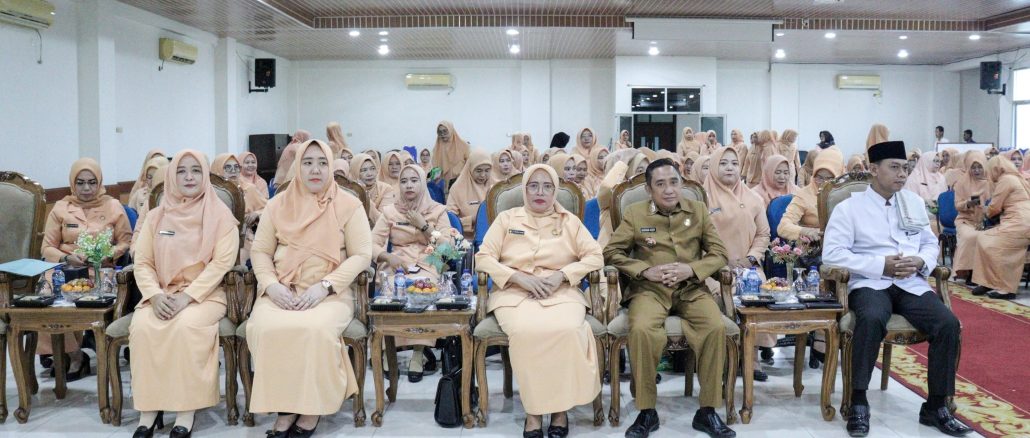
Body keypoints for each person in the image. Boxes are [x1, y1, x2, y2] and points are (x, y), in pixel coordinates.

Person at [822, 140, 970, 438]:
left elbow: (929, 244)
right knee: (871, 318)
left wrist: (920, 261)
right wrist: (880, 265)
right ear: (874, 169)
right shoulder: (849, 208)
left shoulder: (912, 202)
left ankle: (936, 406)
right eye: (894, 167)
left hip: (910, 283)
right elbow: (833, 255)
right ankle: (858, 401)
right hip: (869, 282)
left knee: (947, 323)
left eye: (905, 168)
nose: (902, 174)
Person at [247, 140, 373, 437]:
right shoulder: (277, 204)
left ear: (330, 167)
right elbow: (260, 251)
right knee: (264, 327)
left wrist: (325, 287)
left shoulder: (349, 205)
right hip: (282, 290)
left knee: (314, 330)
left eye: (322, 163)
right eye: (307, 162)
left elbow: (361, 255)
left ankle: (311, 407)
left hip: (329, 293)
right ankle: (285, 407)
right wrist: (271, 286)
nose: (315, 170)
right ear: (297, 167)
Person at [604, 158, 734, 438]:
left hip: (691, 289)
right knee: (641, 329)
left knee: (714, 327)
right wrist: (644, 270)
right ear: (649, 189)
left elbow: (720, 253)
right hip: (649, 291)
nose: (669, 189)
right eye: (660, 184)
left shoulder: (698, 210)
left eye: (674, 182)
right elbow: (612, 252)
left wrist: (692, 269)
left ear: (682, 183)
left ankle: (708, 410)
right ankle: (646, 411)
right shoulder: (636, 213)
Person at [476, 164, 603, 437]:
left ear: (555, 191)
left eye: (547, 186)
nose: (540, 192)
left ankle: (559, 411)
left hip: (561, 293)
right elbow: (483, 257)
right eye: (533, 186)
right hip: (514, 293)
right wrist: (517, 278)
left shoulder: (569, 221)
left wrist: (562, 275)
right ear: (524, 189)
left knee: (568, 330)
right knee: (525, 332)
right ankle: (533, 412)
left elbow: (596, 256)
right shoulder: (507, 219)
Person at [129, 150, 239, 438]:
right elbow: (143, 262)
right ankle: (149, 410)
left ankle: (185, 411)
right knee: (143, 327)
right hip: (162, 294)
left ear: (205, 175)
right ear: (171, 176)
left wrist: (187, 297)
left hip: (205, 295)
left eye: (196, 170)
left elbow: (221, 264)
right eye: (181, 171)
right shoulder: (156, 217)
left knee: (185, 326)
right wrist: (154, 295)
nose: (189, 177)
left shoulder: (221, 216)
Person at [42, 158, 133, 380]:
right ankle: (73, 354)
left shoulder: (113, 206)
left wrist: (108, 254)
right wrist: (66, 257)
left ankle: (84, 347)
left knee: (94, 292)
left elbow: (126, 241)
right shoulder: (61, 208)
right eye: (80, 183)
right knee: (47, 292)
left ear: (99, 182)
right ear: (72, 183)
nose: (86, 188)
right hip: (65, 269)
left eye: (92, 182)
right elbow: (46, 247)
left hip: (100, 270)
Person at [371, 164, 453, 382]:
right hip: (397, 264)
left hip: (428, 263)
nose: (408, 185)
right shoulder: (390, 211)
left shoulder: (438, 210)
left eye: (414, 180)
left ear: (423, 183)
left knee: (423, 289)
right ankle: (388, 350)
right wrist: (387, 257)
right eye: (404, 181)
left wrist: (424, 226)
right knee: (393, 290)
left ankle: (418, 352)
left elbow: (448, 248)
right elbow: (371, 243)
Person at [702, 147, 774, 381]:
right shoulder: (701, 198)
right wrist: (721, 262)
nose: (730, 168)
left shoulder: (753, 198)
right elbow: (694, 239)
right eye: (723, 163)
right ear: (714, 167)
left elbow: (763, 234)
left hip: (748, 266)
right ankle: (724, 359)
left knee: (758, 290)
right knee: (722, 296)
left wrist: (750, 258)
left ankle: (751, 358)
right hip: (712, 269)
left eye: (734, 163)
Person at [969, 156, 1030, 299]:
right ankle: (988, 282)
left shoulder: (1006, 180)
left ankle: (1006, 289)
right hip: (1022, 222)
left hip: (1018, 223)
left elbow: (994, 207)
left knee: (995, 245)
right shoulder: (1017, 178)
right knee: (984, 239)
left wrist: (983, 210)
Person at [778, 148, 844, 243]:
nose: (824, 183)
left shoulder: (846, 194)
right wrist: (806, 231)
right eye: (819, 177)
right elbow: (783, 227)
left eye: (830, 179)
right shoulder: (804, 195)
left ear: (839, 176)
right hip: (814, 245)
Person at [951, 151, 989, 285]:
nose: (977, 170)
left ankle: (986, 275)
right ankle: (970, 272)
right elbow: (957, 205)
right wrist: (968, 203)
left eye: (979, 167)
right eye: (973, 167)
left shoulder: (991, 183)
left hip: (987, 221)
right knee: (970, 237)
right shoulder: (962, 183)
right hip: (966, 220)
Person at [446, 150, 492, 240]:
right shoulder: (458, 189)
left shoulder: (495, 186)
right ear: (470, 168)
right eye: (478, 171)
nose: (483, 175)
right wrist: (472, 220)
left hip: (493, 238)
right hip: (467, 240)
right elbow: (449, 220)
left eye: (487, 170)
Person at [350, 153, 396, 224]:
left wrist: (363, 193)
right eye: (364, 170)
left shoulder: (386, 189)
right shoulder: (349, 191)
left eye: (372, 169)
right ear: (355, 172)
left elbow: (382, 221)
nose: (370, 174)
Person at [127, 156, 169, 227]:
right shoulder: (144, 199)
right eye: (149, 177)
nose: (152, 180)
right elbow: (138, 226)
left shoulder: (175, 198)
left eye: (156, 176)